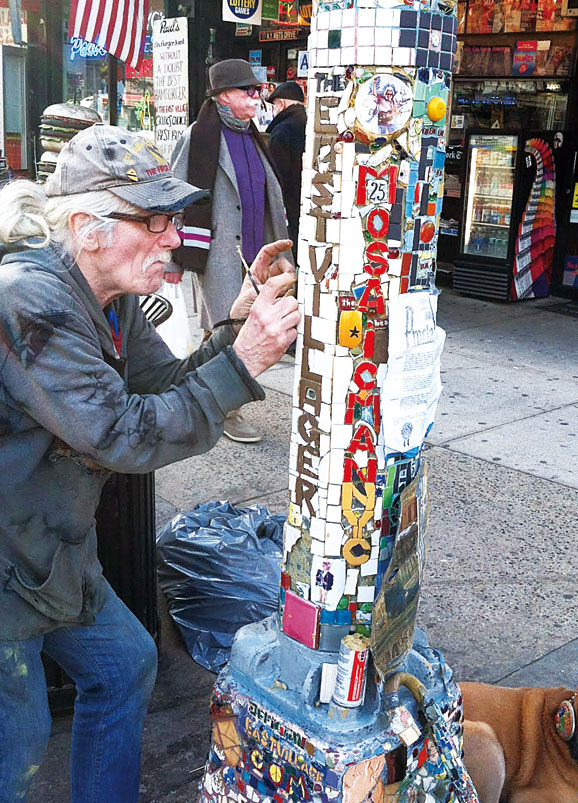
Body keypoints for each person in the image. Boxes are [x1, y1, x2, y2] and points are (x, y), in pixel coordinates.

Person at [0, 123, 299, 803]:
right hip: (7, 563)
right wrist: (246, 362)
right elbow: (122, 432)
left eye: (173, 217)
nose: (173, 236)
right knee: (17, 740)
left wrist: (234, 327)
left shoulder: (111, 303)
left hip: (50, 554)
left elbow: (164, 387)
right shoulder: (27, 297)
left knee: (126, 663)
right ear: (88, 227)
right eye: (155, 219)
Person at [168, 58, 291, 444]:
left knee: (228, 330)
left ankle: (202, 394)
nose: (257, 96)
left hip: (259, 255)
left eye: (256, 89)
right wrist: (175, 257)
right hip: (220, 253)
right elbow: (175, 199)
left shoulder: (255, 135)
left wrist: (282, 249)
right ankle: (225, 407)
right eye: (247, 90)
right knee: (228, 328)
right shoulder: (199, 137)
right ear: (223, 97)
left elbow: (268, 197)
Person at [265, 81, 306, 258]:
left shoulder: (281, 131)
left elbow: (276, 176)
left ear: (281, 104)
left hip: (288, 205)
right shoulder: (310, 125)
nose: (273, 110)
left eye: (274, 105)